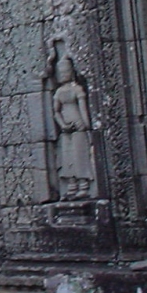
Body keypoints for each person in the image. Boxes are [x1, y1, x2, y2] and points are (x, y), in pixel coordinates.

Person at [51, 55, 96, 200]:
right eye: (61, 72)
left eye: (66, 71)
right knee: (68, 157)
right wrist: (62, 125)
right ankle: (71, 186)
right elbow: (56, 112)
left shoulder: (77, 89)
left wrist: (85, 124)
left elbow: (83, 109)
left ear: (72, 72)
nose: (63, 74)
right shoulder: (59, 92)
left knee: (79, 155)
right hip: (66, 128)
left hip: (78, 124)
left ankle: (83, 186)